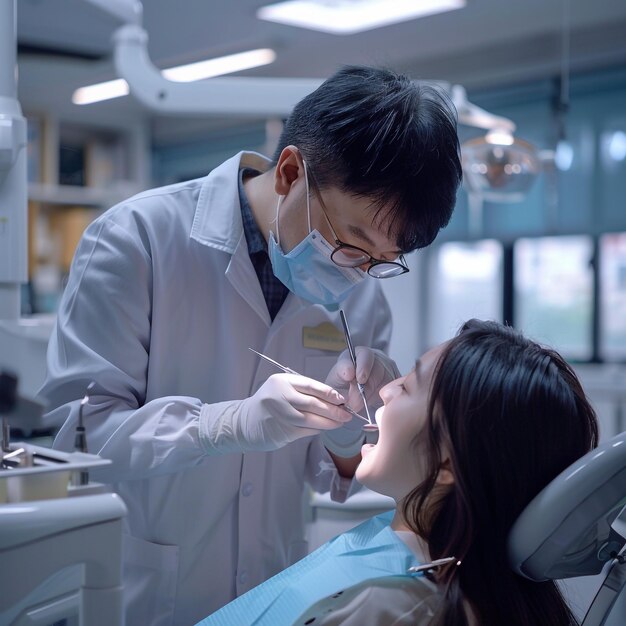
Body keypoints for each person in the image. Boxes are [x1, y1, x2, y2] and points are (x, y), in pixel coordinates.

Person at [39, 65, 462, 625]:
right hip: (146, 593)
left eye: (383, 262)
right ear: (290, 173)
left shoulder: (362, 301)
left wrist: (345, 429)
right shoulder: (137, 239)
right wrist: (222, 425)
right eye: (352, 242)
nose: (358, 275)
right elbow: (80, 439)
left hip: (276, 592)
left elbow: (330, 470)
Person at [198, 319, 599, 626]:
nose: (385, 391)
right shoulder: (411, 545)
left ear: (446, 466)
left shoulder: (393, 609)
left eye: (407, 387)